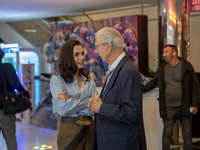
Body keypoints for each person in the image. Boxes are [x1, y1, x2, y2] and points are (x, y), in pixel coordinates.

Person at [88, 27, 146, 150]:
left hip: (120, 144)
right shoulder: (117, 69)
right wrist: (99, 103)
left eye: (97, 46)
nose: (96, 52)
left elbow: (131, 112)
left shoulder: (128, 71)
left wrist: (101, 108)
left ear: (108, 46)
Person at [143, 45, 200, 150]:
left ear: (174, 53)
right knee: (167, 133)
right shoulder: (162, 67)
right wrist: (139, 90)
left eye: (166, 52)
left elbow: (195, 86)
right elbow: (153, 83)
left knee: (187, 134)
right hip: (168, 107)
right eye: (163, 52)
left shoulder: (186, 66)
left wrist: (195, 104)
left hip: (185, 106)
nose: (163, 54)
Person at [50, 40, 97, 150]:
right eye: (76, 55)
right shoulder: (57, 80)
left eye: (82, 53)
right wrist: (87, 102)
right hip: (70, 130)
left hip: (90, 129)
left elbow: (96, 106)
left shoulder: (89, 80)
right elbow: (63, 109)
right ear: (68, 57)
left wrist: (70, 101)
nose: (81, 57)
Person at [0, 48, 30, 150]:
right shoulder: (7, 67)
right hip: (5, 108)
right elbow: (15, 84)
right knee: (10, 138)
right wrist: (25, 94)